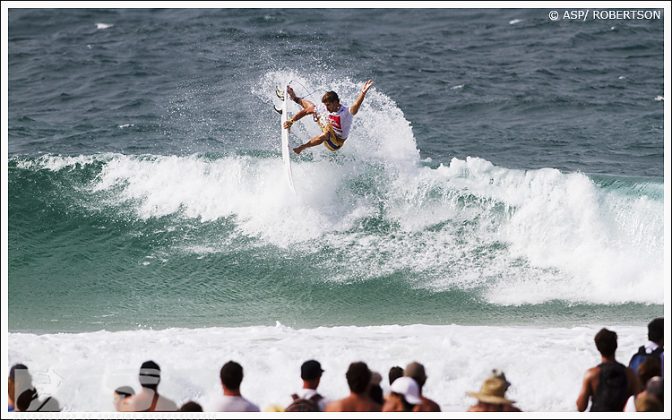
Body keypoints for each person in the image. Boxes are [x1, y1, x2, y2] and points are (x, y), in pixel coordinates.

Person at [283, 80, 374, 154]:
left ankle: (301, 148)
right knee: (312, 108)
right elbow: (306, 111)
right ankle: (294, 97)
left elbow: (355, 106)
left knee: (326, 133)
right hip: (328, 126)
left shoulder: (345, 112)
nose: (326, 107)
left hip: (335, 142)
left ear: (336, 102)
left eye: (328, 105)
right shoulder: (326, 108)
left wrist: (363, 93)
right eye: (325, 105)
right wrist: (291, 121)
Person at [576, 328, 639, 412]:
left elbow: (581, 407)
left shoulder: (591, 374)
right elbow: (640, 402)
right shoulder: (629, 374)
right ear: (616, 346)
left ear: (597, 348)